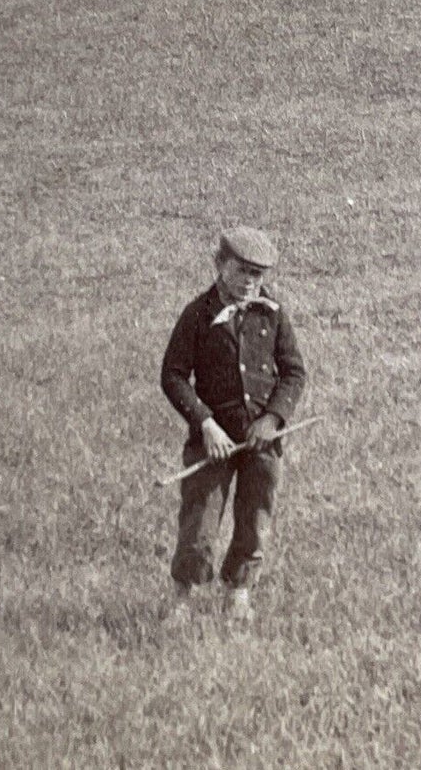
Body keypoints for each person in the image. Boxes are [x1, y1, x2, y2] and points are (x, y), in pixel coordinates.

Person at [160, 226, 307, 621]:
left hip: (262, 442)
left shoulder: (272, 315)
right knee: (200, 519)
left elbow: (294, 373)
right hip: (213, 443)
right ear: (219, 264)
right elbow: (173, 375)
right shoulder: (197, 314)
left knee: (256, 514)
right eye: (241, 270)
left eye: (257, 275)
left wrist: (273, 419)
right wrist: (206, 424)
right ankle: (182, 597)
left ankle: (239, 590)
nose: (249, 282)